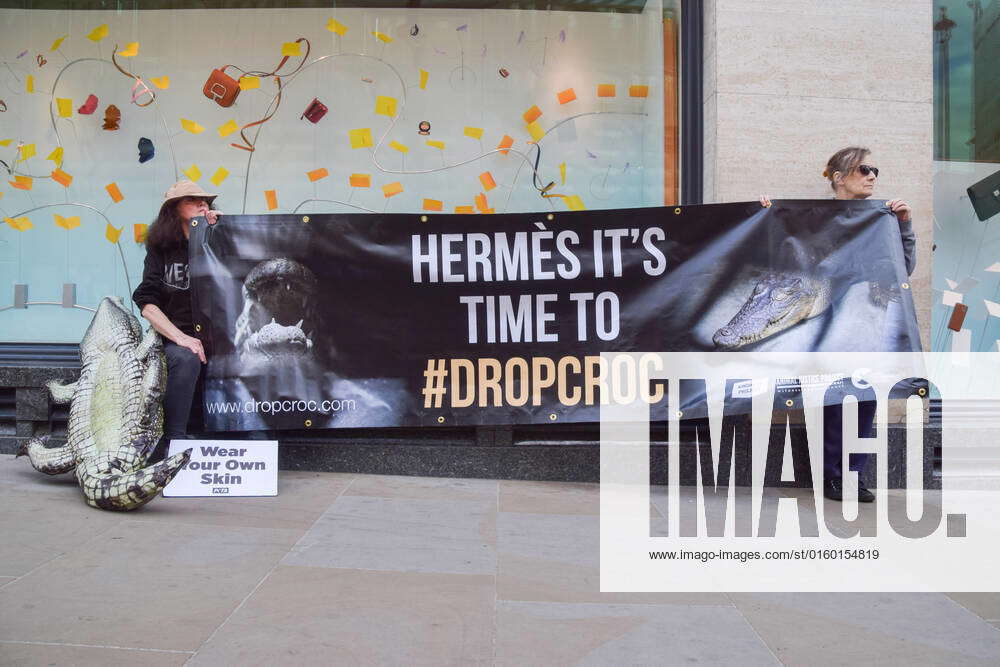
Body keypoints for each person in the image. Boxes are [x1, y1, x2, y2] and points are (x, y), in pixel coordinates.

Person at [760, 146, 915, 502]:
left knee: (864, 403)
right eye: (863, 169)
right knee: (832, 401)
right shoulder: (814, 219)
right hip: (826, 326)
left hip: (868, 322)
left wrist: (904, 227)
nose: (872, 176)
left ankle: (853, 475)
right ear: (839, 178)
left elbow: (903, 268)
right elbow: (784, 257)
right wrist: (763, 217)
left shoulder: (882, 218)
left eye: (875, 169)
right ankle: (832, 476)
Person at [132, 180, 222, 462]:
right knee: (185, 358)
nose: (201, 203)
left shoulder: (219, 239)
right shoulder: (161, 249)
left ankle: (252, 438)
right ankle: (173, 443)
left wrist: (224, 231)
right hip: (177, 336)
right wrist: (181, 338)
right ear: (173, 210)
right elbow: (146, 302)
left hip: (220, 334)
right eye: (191, 200)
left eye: (204, 199)